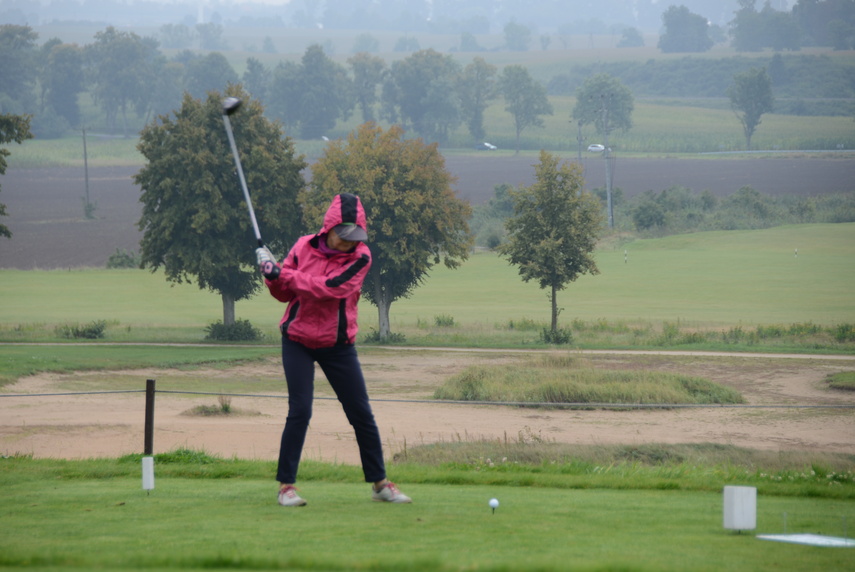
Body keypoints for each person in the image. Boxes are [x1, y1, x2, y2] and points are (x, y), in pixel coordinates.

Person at [255, 192, 412, 507]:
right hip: (297, 338)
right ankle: (286, 487)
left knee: (360, 413)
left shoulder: (361, 257)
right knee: (300, 410)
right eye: (345, 235)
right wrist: (270, 275)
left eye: (356, 236)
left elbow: (329, 289)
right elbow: (285, 294)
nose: (350, 241)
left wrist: (282, 273)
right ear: (330, 227)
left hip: (338, 344)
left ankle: (380, 484)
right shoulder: (302, 247)